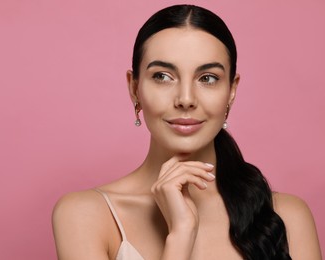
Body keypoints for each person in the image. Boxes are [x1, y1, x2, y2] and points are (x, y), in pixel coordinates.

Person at [52, 4, 322, 260]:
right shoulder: (86, 215)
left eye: (207, 78)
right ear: (134, 88)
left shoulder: (285, 216)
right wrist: (181, 234)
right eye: (162, 76)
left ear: (231, 90)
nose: (185, 98)